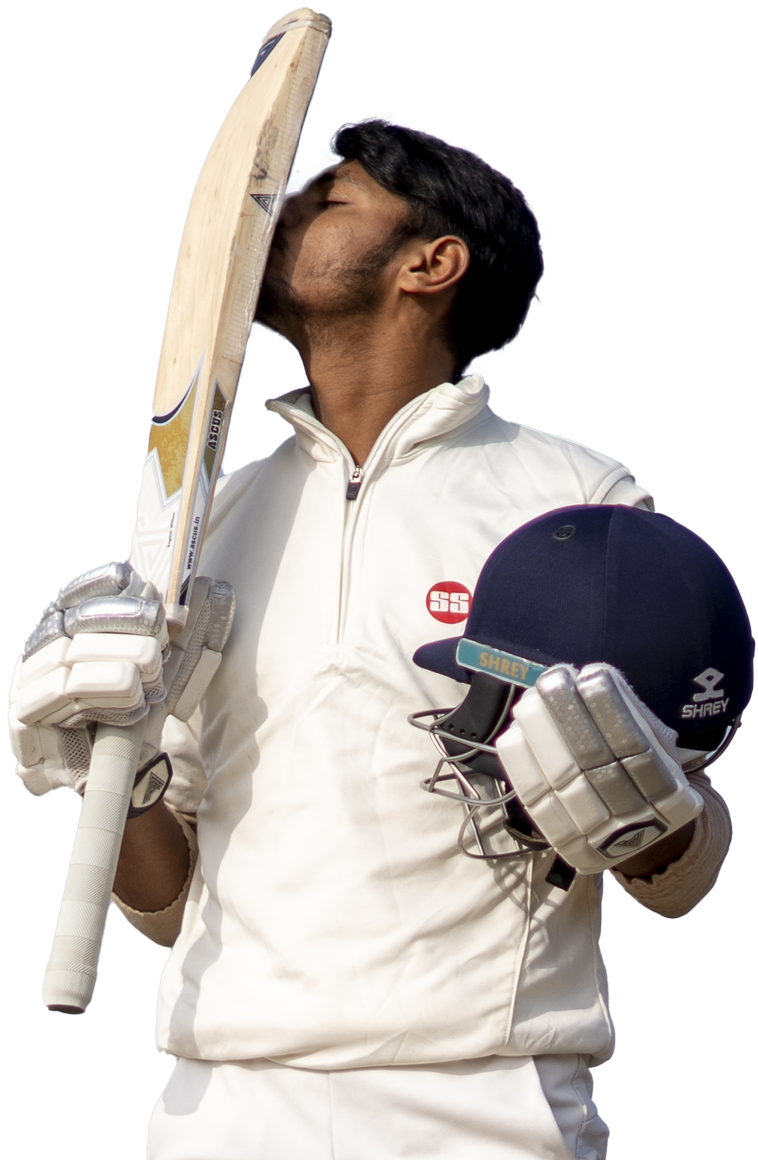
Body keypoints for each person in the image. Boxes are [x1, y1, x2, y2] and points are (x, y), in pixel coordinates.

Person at [11, 121, 737, 1160]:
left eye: (329, 197)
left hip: (483, 1107)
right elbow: (168, 905)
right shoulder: (205, 527)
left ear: (429, 264)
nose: (280, 211)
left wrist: (641, 810)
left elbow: (683, 870)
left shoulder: (578, 510)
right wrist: (104, 771)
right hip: (225, 1104)